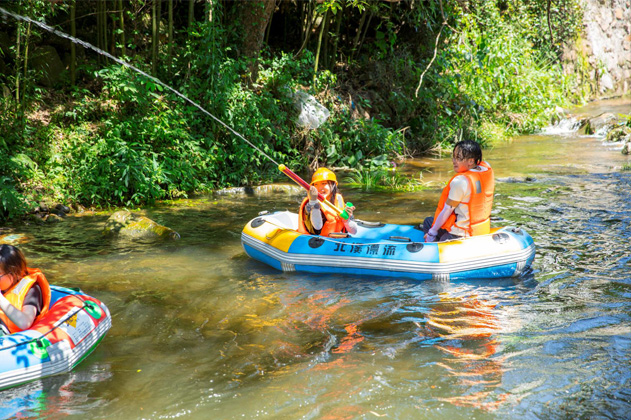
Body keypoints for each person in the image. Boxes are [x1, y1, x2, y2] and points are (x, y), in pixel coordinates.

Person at [422, 140, 494, 242]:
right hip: (482, 229)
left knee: (434, 231)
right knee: (428, 221)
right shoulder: (486, 168)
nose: (454, 161)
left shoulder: (460, 181)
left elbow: (447, 210)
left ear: (470, 161)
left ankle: (430, 246)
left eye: (458, 158)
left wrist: (432, 232)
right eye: (454, 157)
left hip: (462, 234)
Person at [0, 244, 51, 335]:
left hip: (13, 337)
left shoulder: (32, 290)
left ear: (15, 273)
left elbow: (25, 323)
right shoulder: (5, 283)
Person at [298, 167, 358, 236]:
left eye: (323, 183)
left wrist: (346, 220)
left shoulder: (338, 200)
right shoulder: (309, 203)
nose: (319, 188)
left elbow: (354, 231)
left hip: (333, 239)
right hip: (314, 241)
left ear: (333, 185)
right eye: (316, 184)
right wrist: (313, 202)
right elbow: (317, 228)